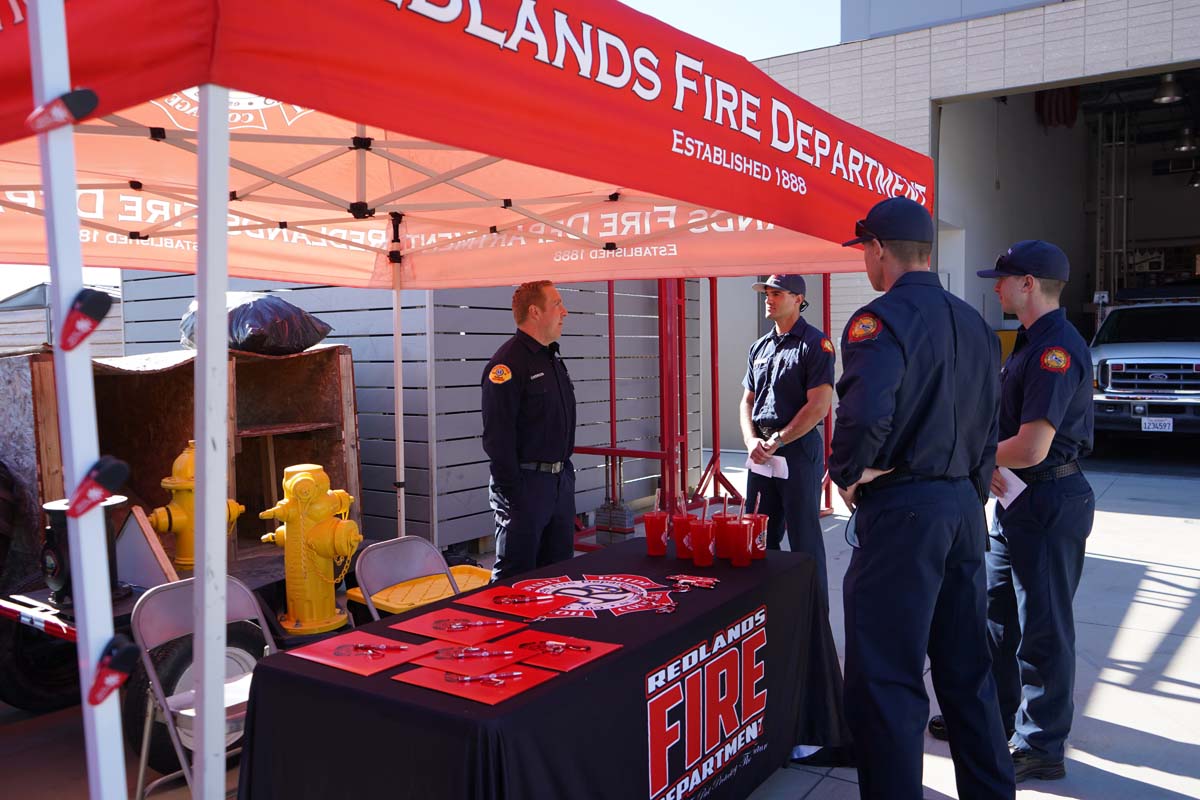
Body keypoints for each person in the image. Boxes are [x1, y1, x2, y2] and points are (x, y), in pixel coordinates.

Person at [831, 197, 1015, 800]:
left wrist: (846, 473)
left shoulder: (878, 320)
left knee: (887, 679)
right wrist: (970, 489)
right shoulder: (977, 324)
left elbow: (864, 416)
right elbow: (989, 422)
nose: (864, 261)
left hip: (905, 514)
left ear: (878, 249)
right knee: (968, 674)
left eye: (864, 250)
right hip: (961, 510)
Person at [928, 241, 1094, 782]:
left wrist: (970, 456)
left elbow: (1032, 447)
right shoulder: (1028, 342)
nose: (995, 288)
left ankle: (1041, 743)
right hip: (1018, 500)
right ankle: (995, 718)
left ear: (1028, 283)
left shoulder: (1054, 350)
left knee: (1043, 628)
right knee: (997, 619)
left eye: (1002, 279)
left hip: (1047, 501)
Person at [739, 274, 835, 605]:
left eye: (777, 294)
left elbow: (819, 405)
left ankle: (814, 614)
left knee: (803, 537)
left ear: (798, 299)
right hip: (761, 451)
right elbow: (747, 401)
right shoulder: (759, 347)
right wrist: (751, 440)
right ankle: (767, 607)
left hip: (796, 448)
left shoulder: (815, 344)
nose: (768, 299)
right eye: (767, 293)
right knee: (759, 535)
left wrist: (779, 439)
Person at [481, 280, 576, 581]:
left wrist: (565, 479)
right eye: (557, 304)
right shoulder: (507, 364)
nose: (565, 311)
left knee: (558, 579)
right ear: (535, 312)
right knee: (515, 582)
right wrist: (516, 494)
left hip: (558, 484)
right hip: (526, 487)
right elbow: (498, 438)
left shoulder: (551, 358)